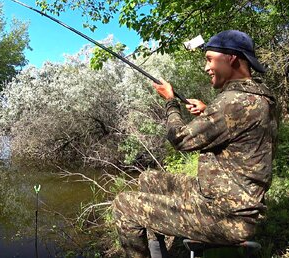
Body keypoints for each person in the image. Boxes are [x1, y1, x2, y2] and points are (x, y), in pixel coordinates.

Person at [112, 30, 278, 258]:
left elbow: (180, 139)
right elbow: (236, 123)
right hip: (226, 197)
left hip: (227, 216)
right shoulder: (257, 97)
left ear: (231, 58)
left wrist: (171, 103)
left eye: (210, 59)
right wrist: (207, 110)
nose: (206, 67)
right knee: (148, 178)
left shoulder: (232, 102)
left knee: (124, 205)